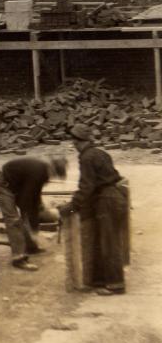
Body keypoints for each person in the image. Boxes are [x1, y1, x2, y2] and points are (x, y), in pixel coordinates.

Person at [59, 124, 127, 295]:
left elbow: (86, 187)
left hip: (107, 201)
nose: (73, 144)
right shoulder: (101, 153)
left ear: (80, 141)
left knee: (109, 243)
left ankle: (116, 284)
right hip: (113, 197)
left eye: (74, 140)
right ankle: (100, 280)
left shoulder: (87, 157)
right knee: (102, 241)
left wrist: (71, 208)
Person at [0, 156, 67, 272]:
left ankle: (30, 247)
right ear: (53, 168)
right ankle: (18, 258)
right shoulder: (38, 171)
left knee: (32, 213)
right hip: (4, 186)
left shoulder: (43, 172)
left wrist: (35, 221)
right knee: (13, 220)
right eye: (55, 174)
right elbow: (26, 202)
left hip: (16, 185)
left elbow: (35, 197)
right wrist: (33, 228)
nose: (53, 177)